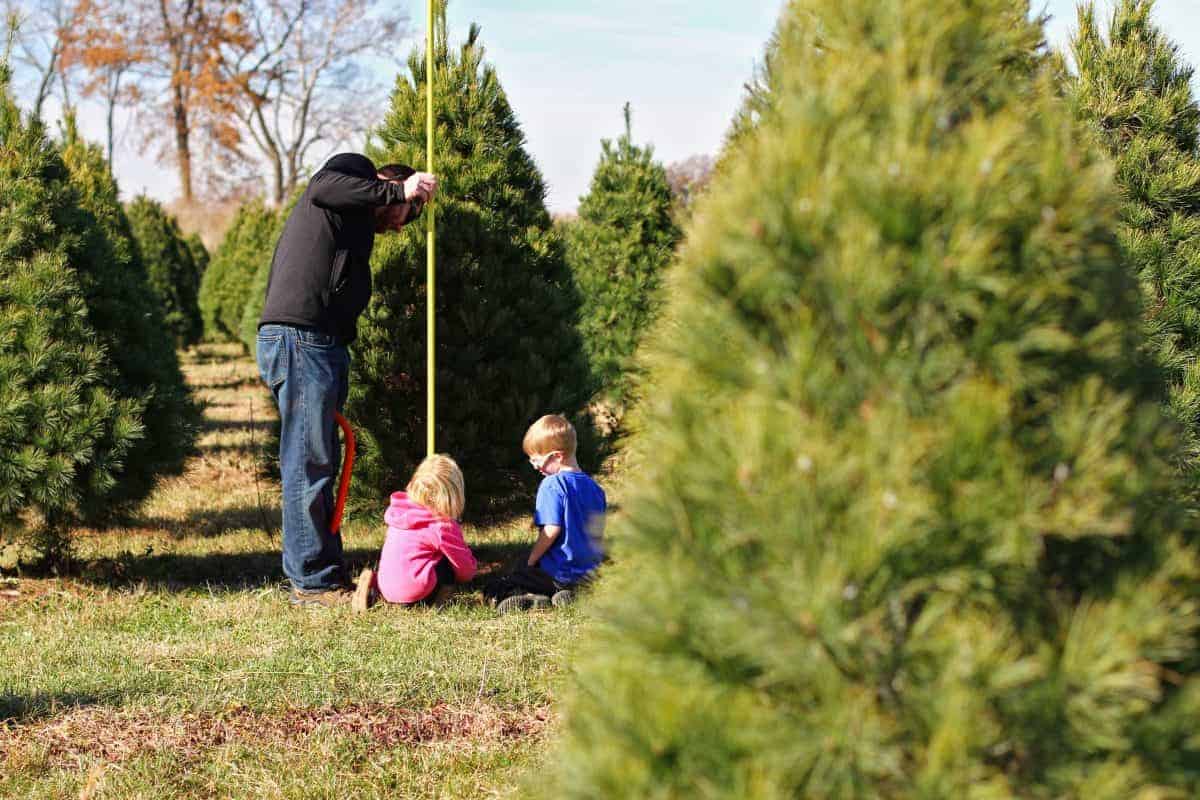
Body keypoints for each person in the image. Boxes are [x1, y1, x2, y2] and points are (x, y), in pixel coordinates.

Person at [255, 153, 437, 607]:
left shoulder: (353, 225)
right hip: (300, 339)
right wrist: (402, 191)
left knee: (323, 459)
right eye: (406, 215)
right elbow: (324, 185)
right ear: (387, 183)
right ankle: (311, 582)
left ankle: (325, 569)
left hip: (321, 344)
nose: (400, 225)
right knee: (308, 461)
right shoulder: (350, 171)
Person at [484, 414, 606, 613]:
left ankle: (532, 600)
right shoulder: (596, 489)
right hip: (589, 575)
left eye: (536, 459)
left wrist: (531, 561)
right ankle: (570, 596)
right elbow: (596, 535)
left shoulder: (552, 484)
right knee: (560, 584)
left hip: (559, 574)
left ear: (557, 456)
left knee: (500, 584)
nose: (533, 465)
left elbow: (551, 530)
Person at [352, 455, 477, 612]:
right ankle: (439, 599)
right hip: (418, 592)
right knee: (447, 563)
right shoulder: (441, 525)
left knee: (409, 560)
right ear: (453, 494)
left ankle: (375, 589)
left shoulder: (399, 513)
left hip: (387, 590)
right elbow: (465, 570)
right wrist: (471, 567)